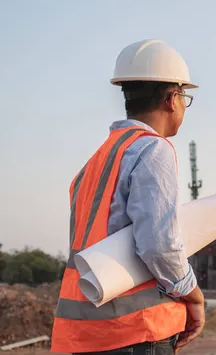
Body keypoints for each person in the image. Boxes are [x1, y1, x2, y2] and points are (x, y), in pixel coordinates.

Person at [51, 39, 205, 355]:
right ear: (172, 99)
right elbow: (158, 244)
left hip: (88, 333)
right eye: (185, 98)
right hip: (137, 332)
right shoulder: (152, 149)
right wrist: (193, 294)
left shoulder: (97, 161)